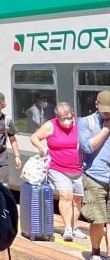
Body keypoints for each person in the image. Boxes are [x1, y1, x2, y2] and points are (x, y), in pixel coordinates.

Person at [30, 102, 86, 243]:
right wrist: (41, 148)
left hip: (78, 169)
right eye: (62, 119)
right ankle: (67, 228)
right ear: (57, 117)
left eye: (68, 117)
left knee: (77, 199)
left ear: (72, 115)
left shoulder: (79, 125)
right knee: (66, 195)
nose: (66, 121)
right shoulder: (51, 125)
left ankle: (73, 227)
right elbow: (34, 137)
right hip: (57, 167)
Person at [78, 90, 110, 260]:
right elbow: (87, 147)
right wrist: (106, 129)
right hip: (95, 177)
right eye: (104, 110)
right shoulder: (86, 122)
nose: (107, 113)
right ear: (96, 105)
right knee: (98, 219)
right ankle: (96, 253)